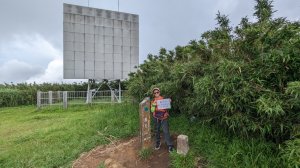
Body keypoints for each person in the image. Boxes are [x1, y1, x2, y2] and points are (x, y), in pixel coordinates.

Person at [150, 87, 174, 152]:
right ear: (153, 94)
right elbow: (152, 110)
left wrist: (169, 101)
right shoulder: (153, 101)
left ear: (159, 92)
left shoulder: (163, 99)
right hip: (156, 117)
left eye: (157, 92)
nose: (156, 93)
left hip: (164, 117)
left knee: (166, 131)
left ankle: (170, 145)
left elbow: (167, 107)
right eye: (155, 93)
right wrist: (154, 105)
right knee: (157, 131)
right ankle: (158, 142)